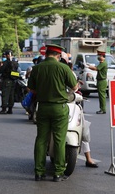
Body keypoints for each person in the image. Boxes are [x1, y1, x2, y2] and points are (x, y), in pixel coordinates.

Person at [28, 44, 78, 182]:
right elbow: (74, 87)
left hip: (42, 107)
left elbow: (31, 89)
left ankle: (39, 172)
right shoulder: (63, 68)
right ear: (58, 56)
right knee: (59, 141)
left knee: (41, 140)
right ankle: (58, 173)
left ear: (46, 54)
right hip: (59, 109)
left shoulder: (37, 68)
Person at [0, 50, 20, 114]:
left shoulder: (6, 62)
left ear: (7, 55)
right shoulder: (15, 62)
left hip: (7, 80)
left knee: (5, 94)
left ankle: (4, 109)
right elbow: (18, 72)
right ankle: (10, 109)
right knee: (11, 95)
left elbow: (1, 70)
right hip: (13, 80)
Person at [88, 50, 108, 114]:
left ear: (102, 56)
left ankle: (103, 109)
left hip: (102, 81)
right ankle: (102, 108)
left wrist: (88, 66)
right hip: (101, 81)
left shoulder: (103, 63)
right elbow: (96, 67)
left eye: (99, 56)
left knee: (102, 96)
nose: (98, 57)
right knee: (101, 96)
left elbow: (96, 69)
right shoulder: (101, 63)